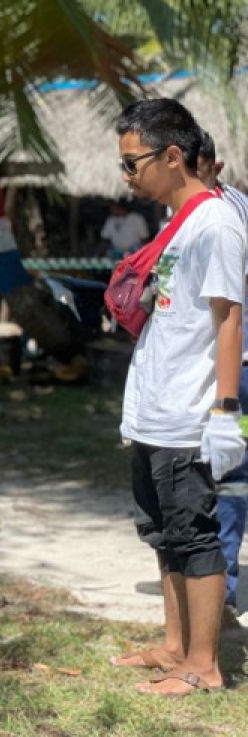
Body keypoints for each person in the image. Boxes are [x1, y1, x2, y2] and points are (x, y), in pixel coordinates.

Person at [108, 99, 246, 695]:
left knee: (194, 535)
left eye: (133, 163)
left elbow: (228, 319)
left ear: (172, 155)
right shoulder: (179, 220)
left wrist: (224, 410)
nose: (127, 176)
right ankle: (174, 645)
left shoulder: (215, 223)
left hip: (188, 413)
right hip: (154, 409)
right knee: (162, 532)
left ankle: (204, 665)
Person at [196, 130, 248, 628]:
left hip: (238, 367)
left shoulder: (228, 214)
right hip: (211, 363)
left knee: (229, 476)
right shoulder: (186, 215)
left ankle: (225, 590)